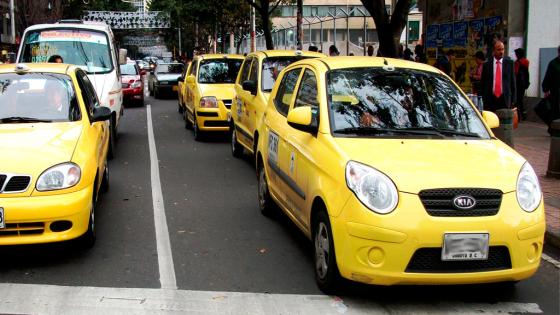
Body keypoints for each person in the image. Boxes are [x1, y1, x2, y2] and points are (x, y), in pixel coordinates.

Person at [481, 40, 516, 112]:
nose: (501, 52)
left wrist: (513, 100)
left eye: (503, 49)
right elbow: (483, 83)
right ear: (493, 51)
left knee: (504, 122)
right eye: (499, 49)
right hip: (490, 99)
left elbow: (513, 82)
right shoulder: (487, 65)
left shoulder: (509, 64)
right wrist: (482, 98)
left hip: (505, 99)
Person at [542, 45, 560, 127]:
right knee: (555, 112)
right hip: (555, 93)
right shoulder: (553, 63)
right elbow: (548, 77)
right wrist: (545, 89)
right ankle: (554, 129)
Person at [514, 48, 530, 120]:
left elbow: (516, 73)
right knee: (520, 99)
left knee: (517, 100)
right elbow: (527, 73)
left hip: (518, 84)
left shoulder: (517, 63)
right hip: (524, 84)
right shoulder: (526, 61)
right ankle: (523, 114)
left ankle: (518, 116)